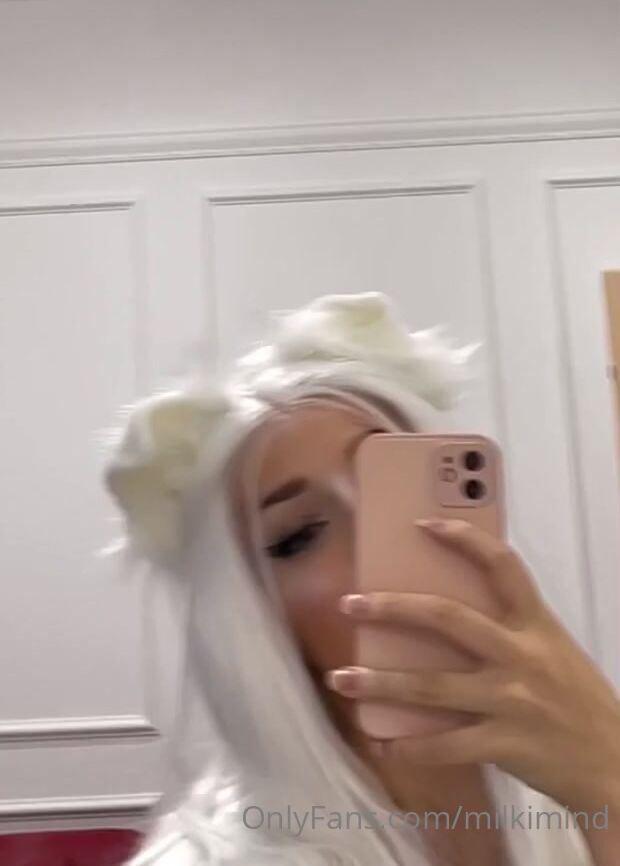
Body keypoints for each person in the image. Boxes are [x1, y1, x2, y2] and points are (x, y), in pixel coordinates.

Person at [100, 292, 620, 866]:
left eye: (393, 492)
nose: (376, 540)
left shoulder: (573, 778)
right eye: (299, 535)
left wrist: (608, 779)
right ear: (250, 614)